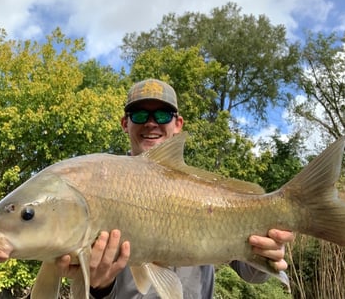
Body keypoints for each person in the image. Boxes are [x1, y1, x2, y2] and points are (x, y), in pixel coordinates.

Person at [57, 79, 294, 298]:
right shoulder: (99, 185)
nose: (151, 123)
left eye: (162, 114)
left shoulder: (207, 193)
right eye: (139, 114)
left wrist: (269, 253)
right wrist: (99, 288)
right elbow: (85, 289)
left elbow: (251, 273)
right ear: (124, 123)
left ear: (178, 123)